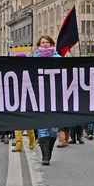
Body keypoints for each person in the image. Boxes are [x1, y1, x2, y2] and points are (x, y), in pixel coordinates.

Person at [34, 35, 60, 165]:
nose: (45, 44)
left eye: (47, 42)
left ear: (51, 44)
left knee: (53, 128)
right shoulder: (34, 59)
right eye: (42, 42)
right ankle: (45, 155)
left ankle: (49, 150)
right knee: (42, 126)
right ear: (39, 44)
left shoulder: (58, 58)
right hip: (39, 97)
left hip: (55, 97)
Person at [11, 53, 36, 153]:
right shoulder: (13, 71)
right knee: (17, 123)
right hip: (16, 99)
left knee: (27, 123)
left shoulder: (29, 70)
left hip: (27, 99)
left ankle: (32, 138)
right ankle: (18, 144)